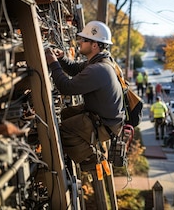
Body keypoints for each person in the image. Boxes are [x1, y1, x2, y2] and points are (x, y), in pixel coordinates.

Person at [44, 20, 125, 171]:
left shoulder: (98, 69)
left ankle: (91, 160)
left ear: (94, 45)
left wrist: (53, 63)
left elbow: (65, 87)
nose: (79, 42)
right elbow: (75, 69)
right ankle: (79, 148)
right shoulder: (101, 61)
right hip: (106, 118)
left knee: (62, 130)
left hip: (105, 125)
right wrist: (61, 59)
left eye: (84, 40)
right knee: (65, 114)